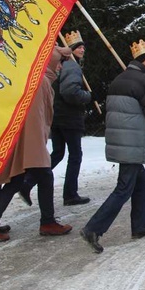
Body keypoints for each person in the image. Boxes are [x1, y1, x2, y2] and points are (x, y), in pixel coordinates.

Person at [0, 46, 74, 241]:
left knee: (19, 180)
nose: (60, 69)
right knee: (35, 178)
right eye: (58, 64)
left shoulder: (36, 78)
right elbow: (36, 119)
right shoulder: (41, 82)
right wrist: (36, 149)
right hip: (31, 144)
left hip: (27, 143)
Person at [80, 39, 145, 254]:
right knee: (124, 188)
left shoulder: (119, 79)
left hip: (119, 142)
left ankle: (140, 226)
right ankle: (93, 228)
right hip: (132, 143)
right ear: (143, 61)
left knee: (141, 184)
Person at [49, 30, 92, 206]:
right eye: (77, 47)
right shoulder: (72, 66)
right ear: (71, 50)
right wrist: (88, 96)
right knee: (75, 154)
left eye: (83, 47)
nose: (82, 50)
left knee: (58, 153)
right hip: (69, 117)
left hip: (56, 116)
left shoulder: (59, 65)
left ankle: (27, 183)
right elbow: (69, 92)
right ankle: (70, 194)